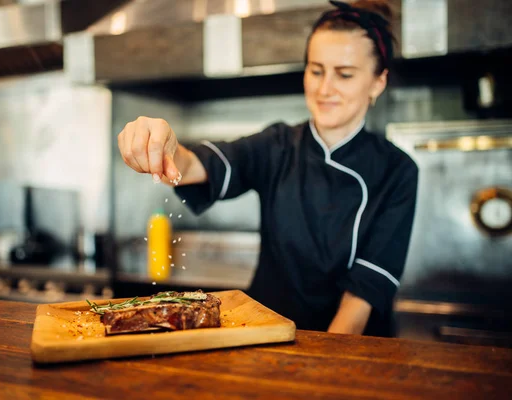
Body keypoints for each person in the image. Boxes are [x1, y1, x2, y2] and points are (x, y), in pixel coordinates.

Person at [117, 0, 418, 337]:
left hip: (349, 352)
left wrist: (325, 365)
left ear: (377, 83)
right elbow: (197, 165)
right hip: (267, 336)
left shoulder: (397, 170)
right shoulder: (277, 145)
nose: (324, 88)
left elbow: (364, 291)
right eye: (316, 70)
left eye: (344, 74)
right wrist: (165, 143)